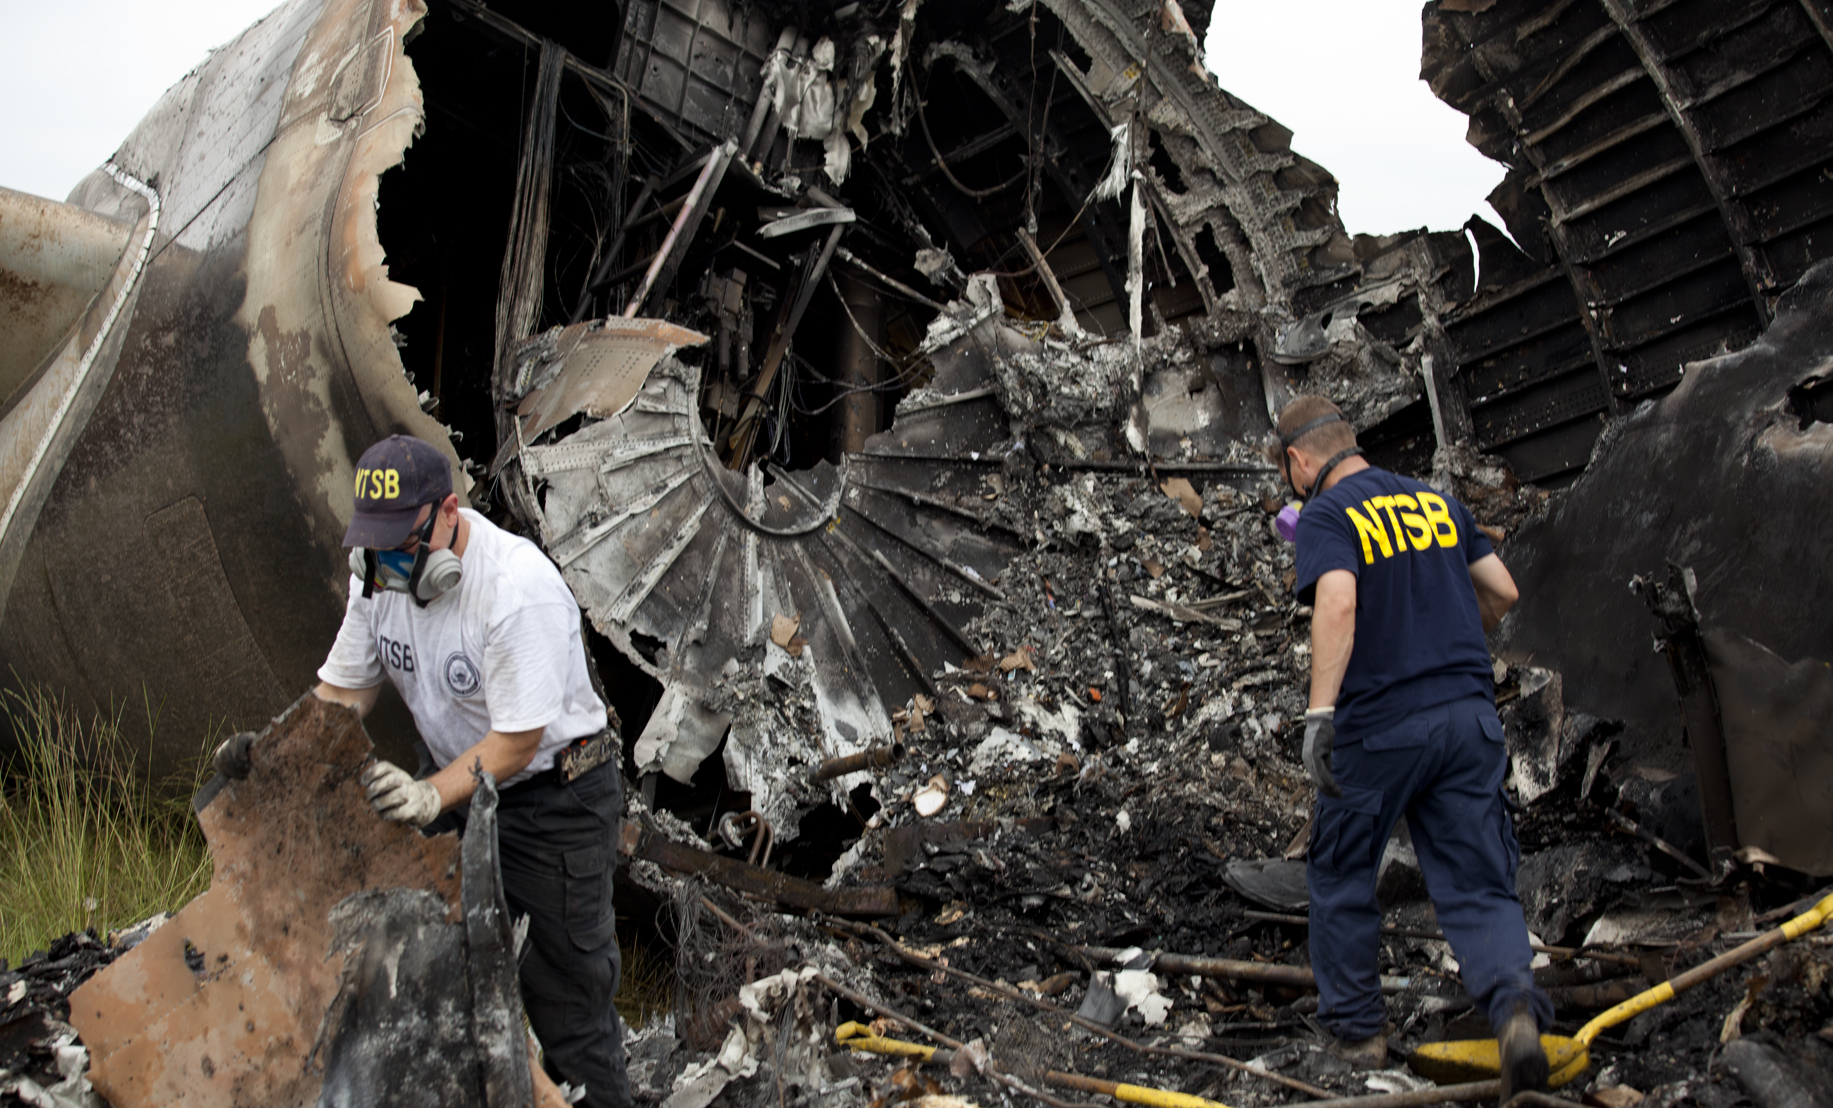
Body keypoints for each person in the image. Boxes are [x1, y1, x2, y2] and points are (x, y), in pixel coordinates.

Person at [222, 434, 631, 1108]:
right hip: (449, 782)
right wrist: (271, 757)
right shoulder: (376, 575)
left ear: (449, 513)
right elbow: (344, 695)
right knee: (429, 972)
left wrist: (425, 796)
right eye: (375, 544)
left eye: (403, 543)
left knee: (564, 998)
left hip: (552, 797)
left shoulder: (515, 590)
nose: (387, 561)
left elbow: (516, 741)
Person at [1267, 396, 1550, 1100]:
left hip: (1381, 727)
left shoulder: (1327, 516)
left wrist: (1319, 715)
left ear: (1299, 462)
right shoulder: (1434, 502)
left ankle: (1359, 1033)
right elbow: (1503, 592)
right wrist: (1447, 632)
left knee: (1339, 873)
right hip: (1466, 718)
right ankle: (1513, 1008)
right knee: (1476, 879)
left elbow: (1336, 603)